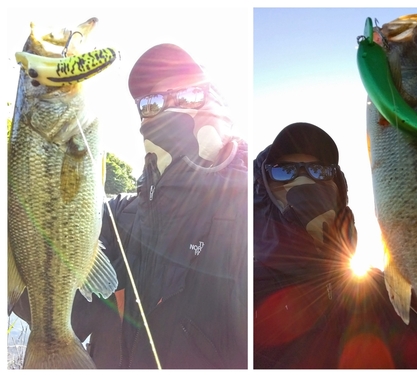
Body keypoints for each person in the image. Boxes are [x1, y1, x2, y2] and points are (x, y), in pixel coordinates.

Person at [13, 43, 248, 369]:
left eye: (190, 96)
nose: (167, 110)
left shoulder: (255, 221)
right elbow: (42, 279)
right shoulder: (118, 219)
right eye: (151, 103)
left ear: (220, 106)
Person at [253, 122, 417, 369]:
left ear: (339, 190)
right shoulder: (244, 295)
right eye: (283, 171)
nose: (304, 178)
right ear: (261, 196)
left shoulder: (389, 291)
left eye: (319, 170)